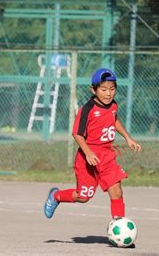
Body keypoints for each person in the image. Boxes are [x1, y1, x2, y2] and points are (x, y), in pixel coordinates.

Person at [44, 68, 141, 220]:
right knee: (83, 196)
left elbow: (113, 120)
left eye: (112, 89)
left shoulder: (113, 105)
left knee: (116, 189)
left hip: (106, 155)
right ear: (93, 90)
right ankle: (56, 196)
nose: (108, 93)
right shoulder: (87, 109)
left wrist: (128, 138)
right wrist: (88, 153)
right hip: (87, 158)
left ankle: (119, 224)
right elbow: (77, 134)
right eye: (103, 89)